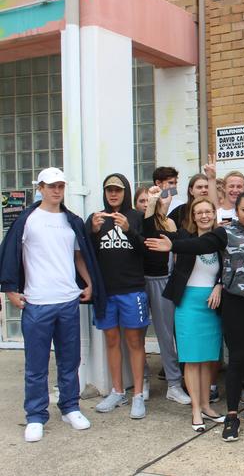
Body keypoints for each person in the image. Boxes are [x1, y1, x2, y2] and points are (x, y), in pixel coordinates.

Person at [146, 190, 244, 442]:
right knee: (238, 357)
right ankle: (232, 415)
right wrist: (172, 245)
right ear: (237, 211)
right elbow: (200, 244)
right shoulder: (225, 232)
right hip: (235, 304)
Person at [0, 168, 105, 443]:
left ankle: (70, 407)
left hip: (67, 300)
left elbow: (79, 255)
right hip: (37, 303)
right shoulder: (28, 220)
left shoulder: (71, 220)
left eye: (60, 185)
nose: (56, 190)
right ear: (40, 188)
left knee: (70, 361)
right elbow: (11, 253)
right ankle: (35, 416)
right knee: (36, 364)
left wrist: (89, 282)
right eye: (51, 186)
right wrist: (10, 290)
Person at [87, 174, 150, 419]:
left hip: (132, 289)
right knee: (111, 341)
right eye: (109, 190)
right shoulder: (96, 219)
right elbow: (87, 256)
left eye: (118, 190)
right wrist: (92, 232)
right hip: (106, 292)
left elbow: (147, 251)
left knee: (135, 342)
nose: (113, 194)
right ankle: (117, 390)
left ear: (126, 192)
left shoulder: (136, 216)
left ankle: (137, 395)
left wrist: (129, 230)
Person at [161, 198, 224, 431]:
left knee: (208, 359)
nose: (204, 216)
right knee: (192, 359)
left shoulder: (220, 239)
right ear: (193, 216)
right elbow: (157, 231)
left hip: (212, 304)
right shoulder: (184, 239)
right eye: (199, 212)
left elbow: (228, 269)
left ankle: (207, 406)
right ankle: (196, 409)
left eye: (208, 211)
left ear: (214, 214)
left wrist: (219, 285)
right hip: (188, 303)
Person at [142, 186, 191, 406]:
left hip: (163, 281)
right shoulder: (139, 221)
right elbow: (147, 228)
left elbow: (176, 242)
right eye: (143, 200)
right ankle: (141, 380)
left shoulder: (169, 222)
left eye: (151, 199)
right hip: (139, 283)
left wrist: (163, 205)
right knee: (135, 337)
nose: (149, 202)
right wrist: (152, 204)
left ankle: (174, 384)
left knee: (166, 335)